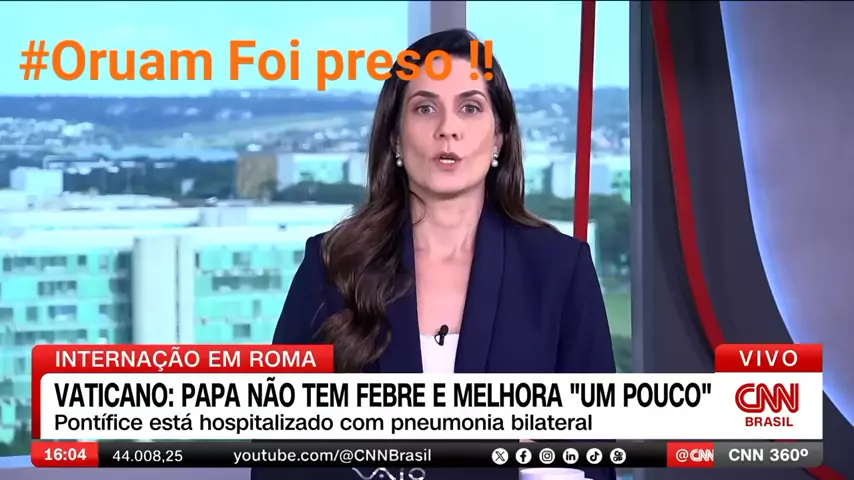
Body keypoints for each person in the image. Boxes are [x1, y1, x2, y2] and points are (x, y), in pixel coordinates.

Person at [253, 29, 616, 480]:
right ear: (395, 139)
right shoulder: (332, 265)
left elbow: (597, 460)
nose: (448, 128)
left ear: (499, 136)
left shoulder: (560, 270)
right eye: (425, 108)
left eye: (470, 107)